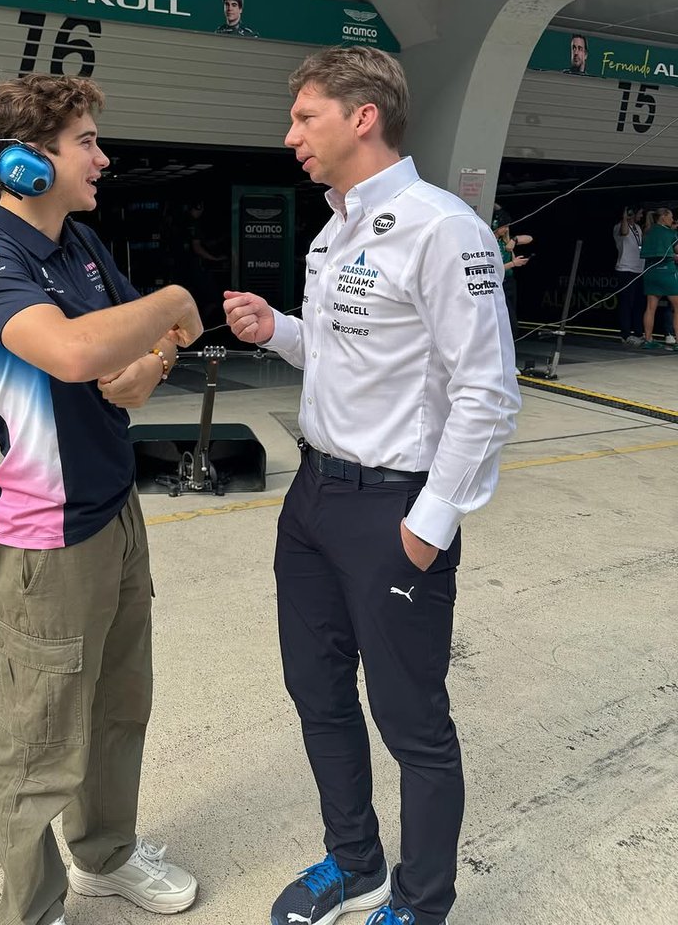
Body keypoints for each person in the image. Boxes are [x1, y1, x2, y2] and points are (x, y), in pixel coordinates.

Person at [223, 47, 520, 925]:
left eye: (305, 117)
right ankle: (355, 866)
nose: (291, 137)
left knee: (412, 724)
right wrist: (278, 328)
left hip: (393, 507)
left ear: (363, 117)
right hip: (312, 498)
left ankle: (422, 905)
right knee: (317, 694)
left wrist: (429, 524)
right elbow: (342, 352)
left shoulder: (443, 227)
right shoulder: (334, 229)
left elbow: (487, 390)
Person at [0, 74, 201, 925]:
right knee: (40, 744)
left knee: (119, 708)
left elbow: (130, 358)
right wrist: (172, 304)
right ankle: (34, 909)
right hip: (45, 538)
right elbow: (68, 352)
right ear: (27, 163)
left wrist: (152, 360)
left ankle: (107, 856)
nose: (103, 156)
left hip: (116, 514)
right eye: (86, 140)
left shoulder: (81, 249)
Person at [491, 205, 532, 368]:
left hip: (509, 283)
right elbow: (493, 267)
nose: (506, 229)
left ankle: (508, 360)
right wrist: (513, 263)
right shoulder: (489, 242)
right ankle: (501, 360)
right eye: (504, 226)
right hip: (496, 283)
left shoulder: (505, 241)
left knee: (511, 322)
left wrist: (513, 241)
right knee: (503, 321)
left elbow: (529, 238)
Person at [639, 207, 678, 350]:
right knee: (677, 307)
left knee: (650, 308)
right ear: (663, 217)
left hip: (650, 273)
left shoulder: (648, 231)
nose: (672, 219)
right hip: (667, 273)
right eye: (671, 216)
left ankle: (648, 340)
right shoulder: (670, 233)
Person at [613, 207, 646, 345]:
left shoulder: (638, 227)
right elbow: (625, 232)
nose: (641, 215)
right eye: (640, 213)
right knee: (627, 303)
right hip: (625, 270)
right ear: (632, 213)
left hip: (639, 270)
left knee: (639, 303)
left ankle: (638, 333)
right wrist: (625, 216)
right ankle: (625, 334)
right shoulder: (619, 227)